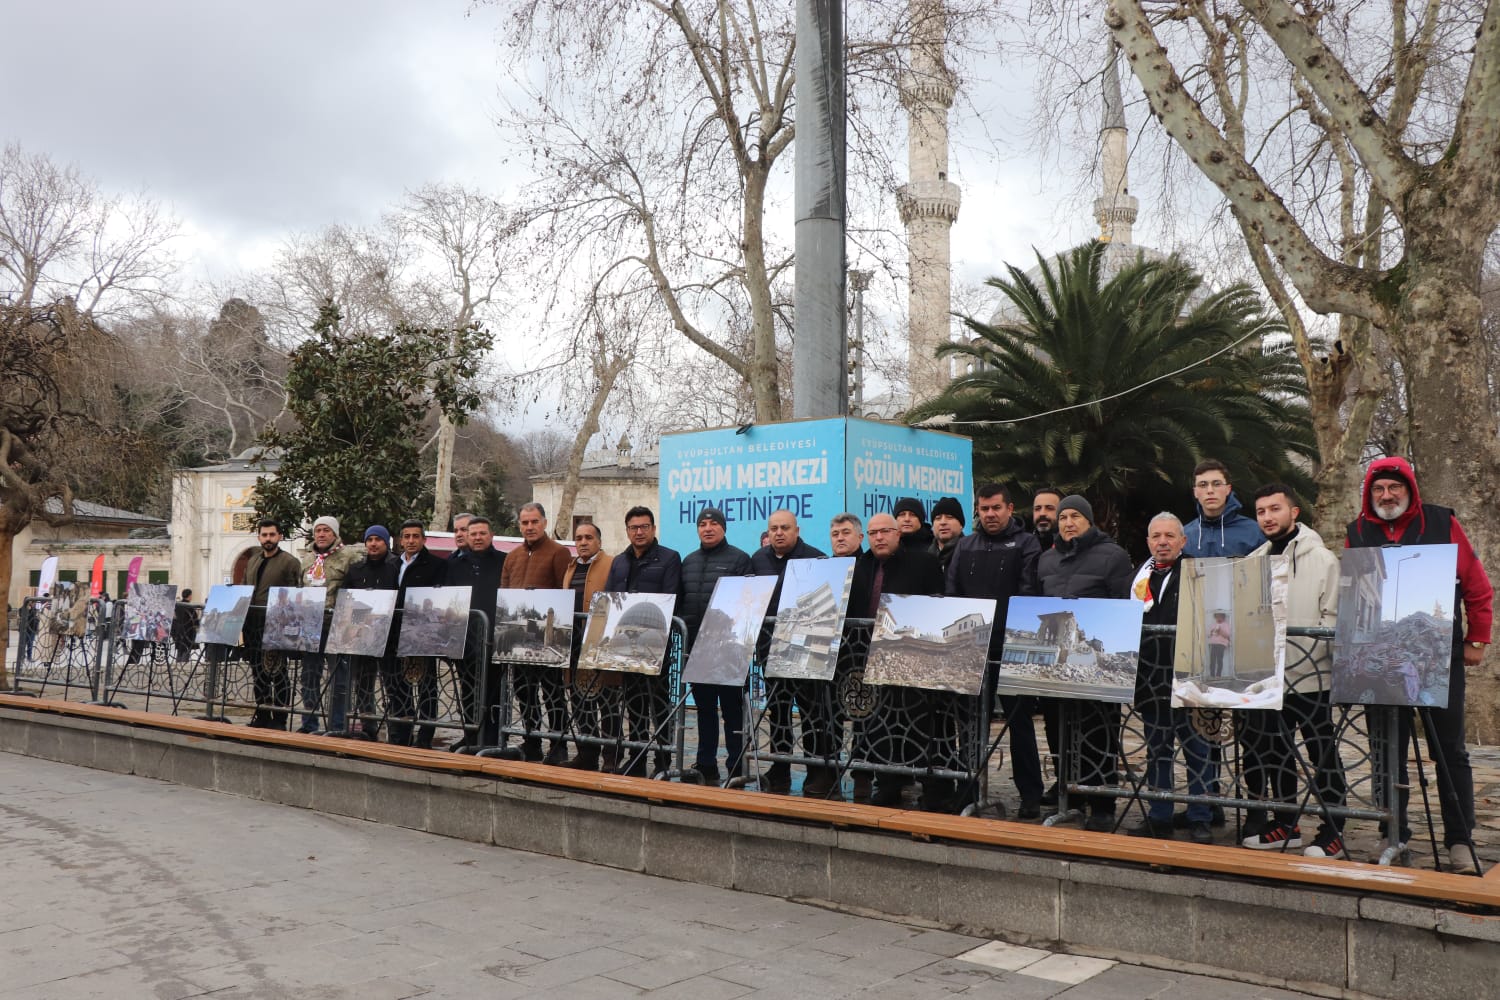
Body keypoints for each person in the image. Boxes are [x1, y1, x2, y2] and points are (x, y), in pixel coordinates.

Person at [1346, 457, 1491, 874]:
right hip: (1378, 662)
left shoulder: (1442, 522)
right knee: (1385, 751)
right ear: (1369, 494)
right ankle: (1393, 833)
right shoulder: (1357, 533)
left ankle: (1460, 840)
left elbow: (1477, 586)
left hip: (1439, 661)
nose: (1386, 496)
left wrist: (1476, 639)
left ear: (1409, 489)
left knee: (1450, 751)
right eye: (1378, 490)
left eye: (1393, 488)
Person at [1238, 484, 1344, 855]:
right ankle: (1287, 823)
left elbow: (1331, 616)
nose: (1267, 517)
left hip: (1311, 676)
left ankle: (1334, 828)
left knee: (1321, 753)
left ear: (1294, 512)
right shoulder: (1255, 558)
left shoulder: (1323, 559)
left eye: (1275, 509)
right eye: (1261, 511)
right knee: (1275, 752)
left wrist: (1315, 662)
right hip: (1269, 678)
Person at [945, 484, 1043, 817]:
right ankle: (968, 790)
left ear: (1009, 508)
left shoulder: (1027, 543)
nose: (989, 514)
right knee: (971, 724)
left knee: (1020, 723)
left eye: (996, 508)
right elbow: (953, 590)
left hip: (1012, 647)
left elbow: (1028, 591)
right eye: (984, 509)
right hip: (972, 649)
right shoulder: (965, 545)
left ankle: (1030, 796)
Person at [1037, 495, 1133, 832]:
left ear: (1090, 521)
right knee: (1059, 729)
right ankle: (1071, 795)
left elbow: (1124, 606)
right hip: (1057, 666)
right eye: (1063, 517)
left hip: (1094, 666)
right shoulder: (1046, 561)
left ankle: (1103, 802)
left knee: (1098, 732)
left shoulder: (1113, 556)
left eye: (1075, 516)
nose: (1067, 523)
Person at [1127, 512, 1214, 844]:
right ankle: (1160, 815)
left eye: (1169, 536)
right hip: (1151, 679)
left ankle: (1200, 816)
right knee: (1158, 751)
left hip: (1190, 678)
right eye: (1156, 536)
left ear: (1183, 541)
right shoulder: (1138, 577)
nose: (1162, 542)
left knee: (1197, 751)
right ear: (1148, 541)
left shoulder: (1198, 574)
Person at [851, 512, 946, 808]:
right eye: (873, 533)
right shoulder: (861, 566)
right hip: (870, 657)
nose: (878, 537)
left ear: (897, 534)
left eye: (884, 532)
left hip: (915, 656)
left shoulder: (923, 563)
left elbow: (938, 604)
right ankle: (888, 783)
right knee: (882, 724)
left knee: (925, 724)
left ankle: (937, 787)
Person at [750, 509, 828, 794]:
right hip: (770, 649)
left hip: (807, 650)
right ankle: (779, 766)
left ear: (797, 530)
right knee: (778, 710)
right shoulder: (757, 560)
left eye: (785, 528)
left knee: (810, 711)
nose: (779, 533)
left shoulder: (816, 558)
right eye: (774, 528)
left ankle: (815, 770)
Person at [604, 506, 683, 777]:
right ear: (627, 530)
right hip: (626, 647)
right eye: (634, 527)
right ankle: (637, 758)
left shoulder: (670, 558)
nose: (639, 532)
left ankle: (663, 760)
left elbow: (672, 597)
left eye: (644, 526)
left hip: (655, 645)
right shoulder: (619, 561)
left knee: (658, 704)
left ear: (653, 528)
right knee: (634, 704)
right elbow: (610, 596)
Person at [679, 507, 753, 785]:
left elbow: (748, 602)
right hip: (698, 650)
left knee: (733, 711)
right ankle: (706, 762)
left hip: (731, 651)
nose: (707, 528)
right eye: (702, 524)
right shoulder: (689, 561)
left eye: (713, 524)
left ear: (723, 528)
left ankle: (736, 764)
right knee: (705, 710)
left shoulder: (739, 559)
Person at [499, 502, 575, 764]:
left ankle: (558, 743)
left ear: (544, 522)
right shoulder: (512, 556)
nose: (529, 527)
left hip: (548, 640)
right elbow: (506, 593)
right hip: (520, 641)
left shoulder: (559, 552)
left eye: (534, 522)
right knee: (524, 691)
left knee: (552, 693)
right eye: (524, 522)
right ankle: (532, 741)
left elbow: (564, 593)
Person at [446, 515, 506, 749]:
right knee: (468, 690)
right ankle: (471, 734)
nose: (478, 537)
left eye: (482, 533)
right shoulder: (454, 565)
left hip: (495, 639)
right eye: (473, 534)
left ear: (490, 535)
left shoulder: (504, 560)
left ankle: (493, 738)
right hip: (466, 640)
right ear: (467, 538)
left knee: (494, 692)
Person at [561, 521, 617, 771]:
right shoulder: (571, 567)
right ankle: (587, 752)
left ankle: (611, 755)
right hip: (573, 643)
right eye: (578, 538)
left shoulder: (611, 564)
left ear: (599, 541)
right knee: (579, 698)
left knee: (607, 701)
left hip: (600, 642)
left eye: (588, 537)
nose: (583, 542)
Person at [296, 516, 360, 734]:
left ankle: (337, 725)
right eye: (318, 531)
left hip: (337, 628)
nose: (321, 534)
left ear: (335, 534)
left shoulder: (349, 557)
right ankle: (309, 723)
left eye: (326, 530)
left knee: (339, 680)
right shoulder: (306, 559)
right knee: (309, 677)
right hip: (311, 627)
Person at [336, 525, 400, 739]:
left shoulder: (396, 566)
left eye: (378, 539)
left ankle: (396, 727)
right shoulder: (356, 569)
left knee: (392, 683)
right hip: (362, 635)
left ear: (386, 542)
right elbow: (349, 599)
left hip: (389, 635)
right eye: (370, 539)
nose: (373, 543)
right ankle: (368, 725)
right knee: (363, 684)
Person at [241, 519, 302, 730]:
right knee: (258, 671)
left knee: (278, 672)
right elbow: (244, 588)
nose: (268, 539)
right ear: (259, 537)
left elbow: (296, 594)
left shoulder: (289, 562)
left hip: (277, 623)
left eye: (272, 535)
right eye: (264, 535)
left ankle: (280, 717)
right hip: (252, 623)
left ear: (279, 536)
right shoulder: (252, 561)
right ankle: (262, 713)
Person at [391, 519, 446, 748]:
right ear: (401, 540)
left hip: (423, 635)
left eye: (415, 536)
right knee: (398, 685)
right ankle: (402, 732)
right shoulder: (393, 565)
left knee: (426, 686)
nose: (411, 541)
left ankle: (425, 734)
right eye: (407, 536)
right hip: (396, 633)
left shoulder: (435, 565)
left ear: (423, 539)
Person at [1183, 460, 1264, 559]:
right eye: (1203, 485)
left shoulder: (1255, 532)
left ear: (1228, 489)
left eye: (1217, 484)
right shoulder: (1184, 536)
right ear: (1195, 492)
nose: (1210, 491)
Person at [929, 496, 965, 575]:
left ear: (961, 525)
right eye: (938, 518)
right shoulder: (926, 557)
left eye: (949, 517)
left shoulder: (970, 553)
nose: (943, 522)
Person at [171, 589, 199, 665]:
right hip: (188, 631)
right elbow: (195, 620)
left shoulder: (178, 605)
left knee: (180, 648)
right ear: (189, 596)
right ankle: (183, 664)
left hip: (179, 630)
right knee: (186, 649)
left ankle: (178, 662)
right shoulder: (190, 606)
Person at [1031, 487, 1062, 553]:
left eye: (1050, 508)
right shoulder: (1024, 547)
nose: (1042, 513)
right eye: (1037, 509)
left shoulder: (1074, 547)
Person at [1207, 612, 1232, 679]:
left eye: (1220, 616)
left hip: (1221, 644)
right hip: (1213, 643)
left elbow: (1227, 635)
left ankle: (1218, 675)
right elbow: (1209, 635)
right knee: (1212, 660)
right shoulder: (1213, 625)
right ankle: (1212, 675)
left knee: (1219, 659)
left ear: (1223, 617)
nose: (1218, 618)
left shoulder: (1225, 625)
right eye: (1217, 617)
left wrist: (1220, 631)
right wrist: (1211, 632)